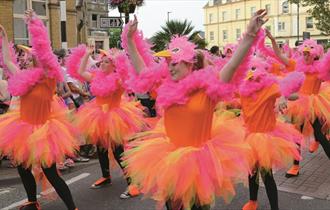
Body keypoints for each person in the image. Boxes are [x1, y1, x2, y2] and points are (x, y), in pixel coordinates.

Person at [123, 10, 268, 210]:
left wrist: (250, 35)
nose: (169, 68)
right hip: (170, 159)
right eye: (167, 63)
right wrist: (130, 39)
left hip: (200, 162)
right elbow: (141, 71)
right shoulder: (164, 87)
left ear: (189, 63)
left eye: (174, 63)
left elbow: (233, 65)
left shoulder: (209, 88)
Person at [0, 10, 79, 210]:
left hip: (43, 131)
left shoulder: (49, 78)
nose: (26, 57)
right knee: (22, 166)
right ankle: (32, 201)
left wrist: (35, 24)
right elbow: (9, 62)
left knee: (50, 172)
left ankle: (72, 207)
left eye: (30, 54)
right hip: (23, 129)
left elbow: (44, 50)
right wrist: (4, 37)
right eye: (26, 55)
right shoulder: (25, 77)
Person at [65, 45, 146, 198]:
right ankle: (106, 176)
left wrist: (120, 60)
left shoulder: (119, 79)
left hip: (114, 118)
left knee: (118, 151)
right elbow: (81, 72)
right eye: (101, 61)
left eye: (106, 62)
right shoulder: (96, 77)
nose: (102, 63)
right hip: (97, 116)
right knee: (101, 148)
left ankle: (133, 183)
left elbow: (126, 76)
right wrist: (86, 55)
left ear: (114, 65)